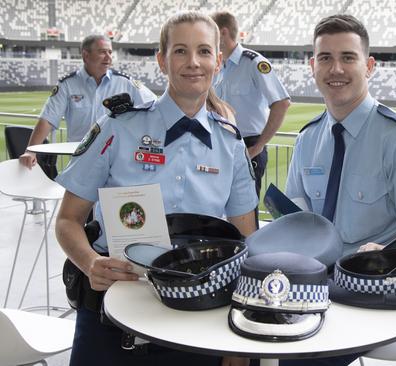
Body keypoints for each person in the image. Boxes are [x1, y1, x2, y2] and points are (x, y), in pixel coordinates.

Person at [55, 11, 257, 366]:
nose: (193, 63)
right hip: (113, 310)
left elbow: (246, 245)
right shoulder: (117, 128)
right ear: (162, 60)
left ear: (219, 61)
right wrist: (90, 263)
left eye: (204, 52)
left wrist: (236, 343)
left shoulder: (231, 145)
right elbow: (68, 220)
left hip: (198, 317)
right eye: (180, 51)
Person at [285, 14, 396, 258]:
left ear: (369, 66)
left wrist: (389, 256)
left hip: (373, 282)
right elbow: (294, 215)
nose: (336, 69)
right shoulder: (308, 139)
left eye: (348, 57)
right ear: (312, 67)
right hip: (313, 279)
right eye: (325, 58)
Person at [19, 34, 156, 168]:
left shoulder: (125, 82)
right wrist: (30, 151)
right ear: (86, 55)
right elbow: (48, 119)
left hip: (116, 159)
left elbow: (153, 105)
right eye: (102, 52)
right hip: (80, 160)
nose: (109, 57)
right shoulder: (67, 84)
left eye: (110, 52)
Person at [211, 11, 291, 225]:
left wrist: (258, 147)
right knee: (220, 207)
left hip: (250, 145)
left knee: (246, 211)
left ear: (223, 32)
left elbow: (281, 102)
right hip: (223, 145)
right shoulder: (218, 66)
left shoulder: (254, 63)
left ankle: (248, 257)